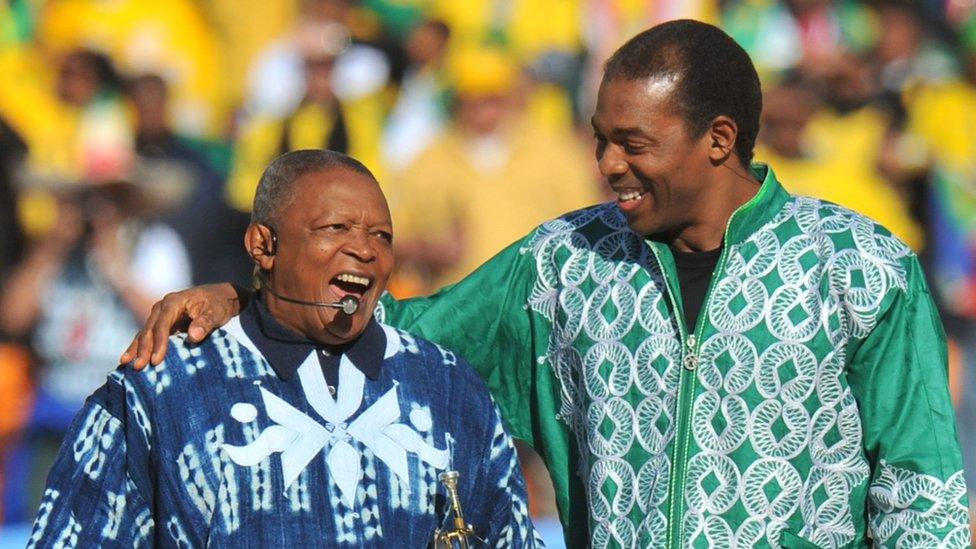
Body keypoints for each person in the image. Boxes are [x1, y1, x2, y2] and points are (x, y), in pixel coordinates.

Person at [122, 21, 971, 548]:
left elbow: (923, 490)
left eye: (632, 143)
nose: (605, 165)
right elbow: (401, 331)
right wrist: (248, 297)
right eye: (601, 138)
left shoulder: (859, 266)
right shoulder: (563, 265)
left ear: (719, 140)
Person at [28, 150, 541, 547]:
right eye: (336, 228)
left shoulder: (449, 387)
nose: (365, 249)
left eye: (382, 236)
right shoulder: (159, 390)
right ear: (263, 246)